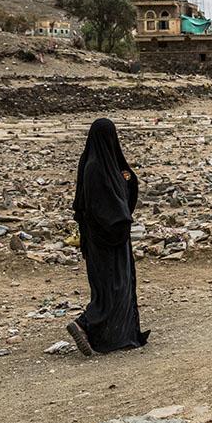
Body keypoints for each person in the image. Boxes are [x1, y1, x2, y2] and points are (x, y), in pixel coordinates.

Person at [66, 118, 149, 356]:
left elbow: (123, 195)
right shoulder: (95, 169)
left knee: (115, 286)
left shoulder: (102, 166)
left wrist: (129, 181)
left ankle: (115, 336)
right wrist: (119, 221)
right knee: (111, 286)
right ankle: (84, 324)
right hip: (106, 239)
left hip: (108, 238)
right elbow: (99, 207)